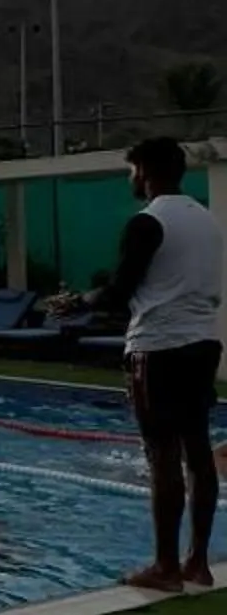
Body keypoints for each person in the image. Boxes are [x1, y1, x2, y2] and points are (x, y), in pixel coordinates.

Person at [86, 139, 223, 591]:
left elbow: (120, 291)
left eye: (132, 171)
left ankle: (165, 567)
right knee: (198, 454)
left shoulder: (148, 222)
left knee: (161, 455)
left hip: (158, 347)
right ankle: (196, 563)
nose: (131, 179)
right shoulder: (206, 219)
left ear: (145, 171)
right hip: (203, 343)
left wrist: (79, 302)